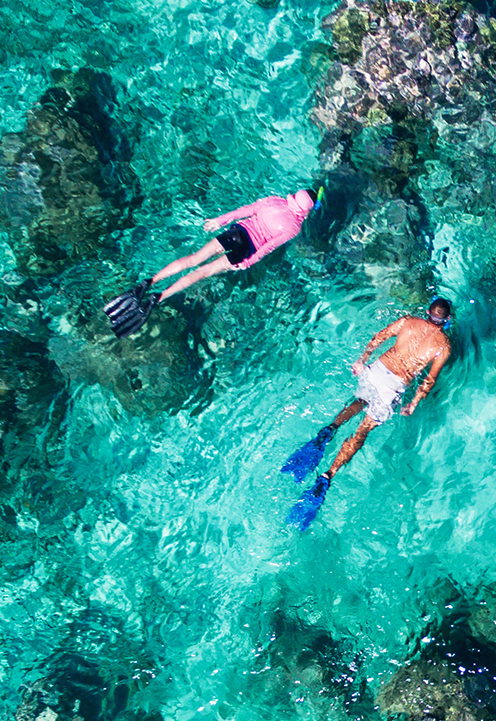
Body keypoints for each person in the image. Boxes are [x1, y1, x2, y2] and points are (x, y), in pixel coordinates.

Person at [282, 298, 455, 530]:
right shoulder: (443, 345)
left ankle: (328, 431)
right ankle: (328, 475)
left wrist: (362, 359)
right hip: (394, 386)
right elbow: (429, 379)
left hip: (376, 370)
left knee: (359, 400)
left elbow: (378, 338)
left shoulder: (409, 321)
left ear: (427, 313)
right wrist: (413, 403)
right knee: (363, 430)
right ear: (447, 320)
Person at [104, 188, 320, 337]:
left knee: (194, 259)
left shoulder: (274, 200)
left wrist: (220, 220)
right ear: (305, 211)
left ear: (294, 197)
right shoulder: (294, 227)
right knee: (202, 273)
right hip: (246, 250)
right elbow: (267, 248)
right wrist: (248, 263)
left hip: (235, 233)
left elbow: (247, 210)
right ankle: (158, 298)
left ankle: (149, 282)